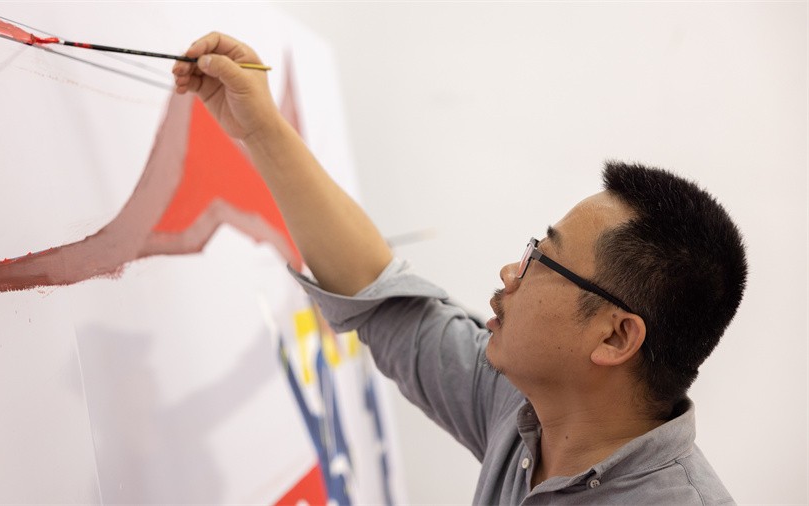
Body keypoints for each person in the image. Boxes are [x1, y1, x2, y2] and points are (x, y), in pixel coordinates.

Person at [172, 33, 747, 505]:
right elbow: (386, 302)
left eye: (542, 258)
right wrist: (260, 127)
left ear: (616, 336)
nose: (510, 273)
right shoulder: (524, 410)